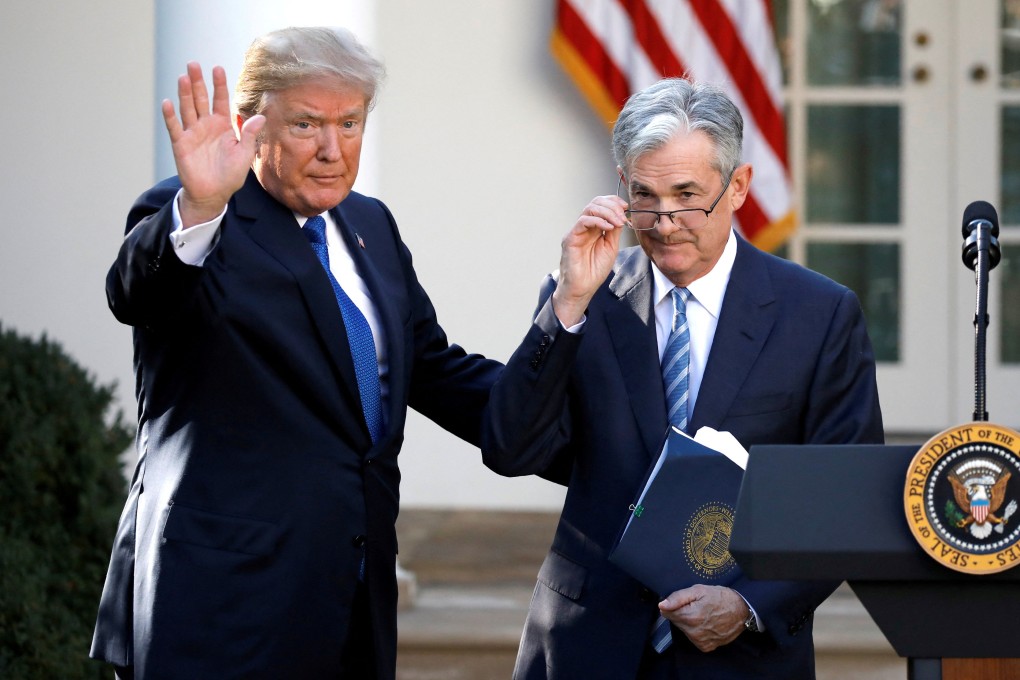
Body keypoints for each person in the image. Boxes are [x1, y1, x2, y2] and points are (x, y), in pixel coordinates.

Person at [90, 26, 502, 680]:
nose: (332, 149)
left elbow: (432, 370)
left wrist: (574, 403)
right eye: (307, 124)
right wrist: (197, 206)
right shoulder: (200, 215)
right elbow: (136, 294)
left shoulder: (371, 225)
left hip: (350, 599)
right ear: (254, 124)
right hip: (220, 605)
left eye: (350, 122)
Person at [482, 78, 884, 679]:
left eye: (687, 195)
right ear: (622, 188)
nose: (665, 223)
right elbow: (511, 448)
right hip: (588, 647)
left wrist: (749, 603)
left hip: (740, 656)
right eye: (645, 196)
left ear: (738, 187)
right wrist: (565, 306)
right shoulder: (583, 297)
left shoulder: (819, 314)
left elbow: (846, 497)